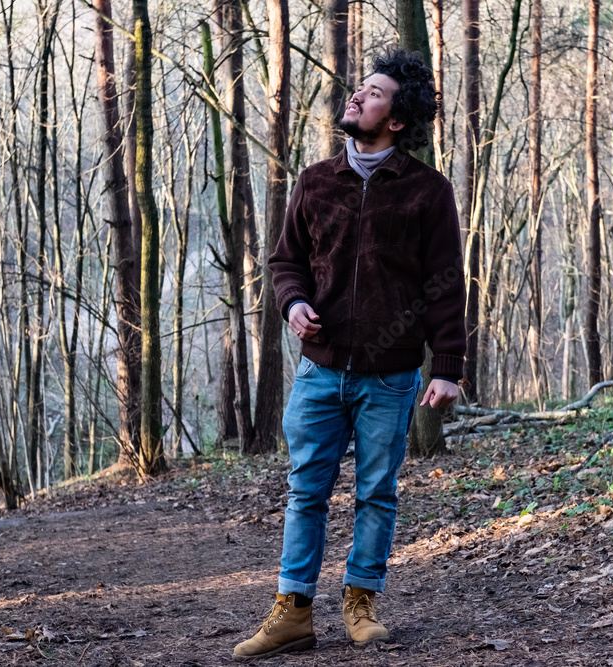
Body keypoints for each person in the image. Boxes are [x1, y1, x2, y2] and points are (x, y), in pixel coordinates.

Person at [232, 49, 466, 661]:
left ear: (396, 120)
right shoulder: (315, 181)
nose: (357, 97)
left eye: (374, 93)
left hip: (390, 379)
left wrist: (446, 368)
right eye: (359, 88)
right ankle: (293, 613)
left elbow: (445, 282)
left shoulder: (426, 192)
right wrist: (292, 304)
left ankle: (361, 603)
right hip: (320, 370)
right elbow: (285, 261)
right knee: (305, 491)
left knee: (376, 493)